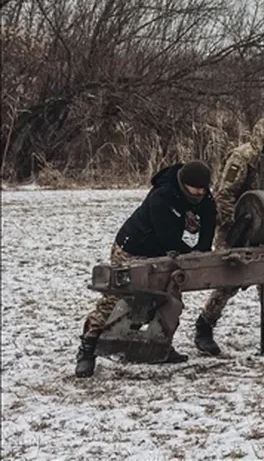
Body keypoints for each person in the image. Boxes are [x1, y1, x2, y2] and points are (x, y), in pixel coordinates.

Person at [74, 161, 216, 378]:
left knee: (170, 297)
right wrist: (189, 253)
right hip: (132, 249)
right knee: (115, 298)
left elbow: (209, 220)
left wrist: (203, 251)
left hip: (161, 253)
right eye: (195, 189)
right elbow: (168, 238)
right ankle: (87, 349)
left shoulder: (203, 195)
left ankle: (160, 346)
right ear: (183, 184)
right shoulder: (162, 196)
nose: (200, 193)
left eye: (203, 189)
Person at [193, 117, 264, 356]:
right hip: (236, 229)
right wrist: (236, 225)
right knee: (230, 279)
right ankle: (204, 326)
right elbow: (224, 194)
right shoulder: (242, 158)